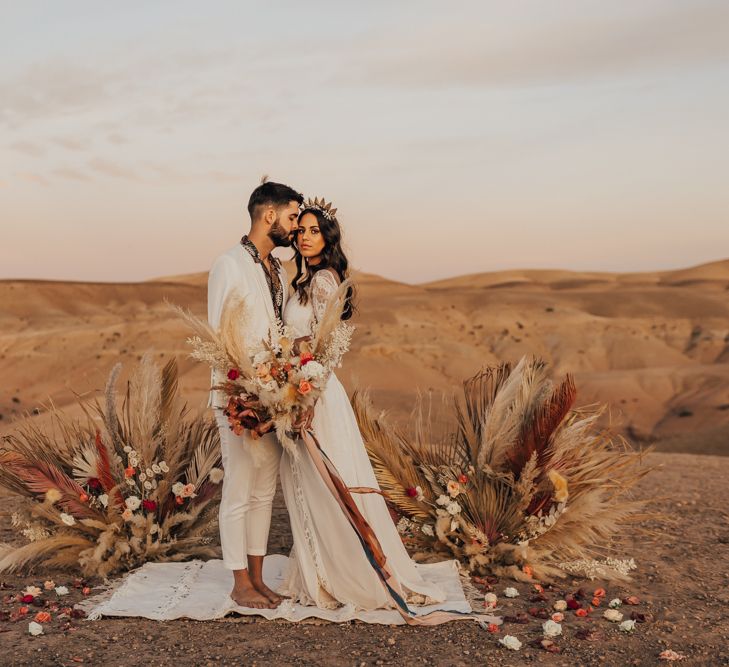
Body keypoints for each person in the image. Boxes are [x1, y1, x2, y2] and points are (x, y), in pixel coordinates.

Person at [277, 198, 448, 611]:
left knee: (325, 481)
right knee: (308, 482)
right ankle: (318, 572)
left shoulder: (323, 281)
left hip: (314, 393)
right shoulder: (306, 280)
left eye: (314, 231)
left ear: (328, 236)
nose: (304, 237)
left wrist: (303, 381)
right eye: (300, 230)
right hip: (298, 386)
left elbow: (328, 346)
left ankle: (344, 575)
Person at [207, 178, 303, 609]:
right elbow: (220, 336)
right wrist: (241, 393)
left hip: (274, 399)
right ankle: (238, 582)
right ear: (269, 214)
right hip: (239, 398)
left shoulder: (277, 269)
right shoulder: (228, 264)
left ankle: (259, 578)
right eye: (292, 216)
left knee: (265, 492)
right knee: (240, 489)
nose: (296, 226)